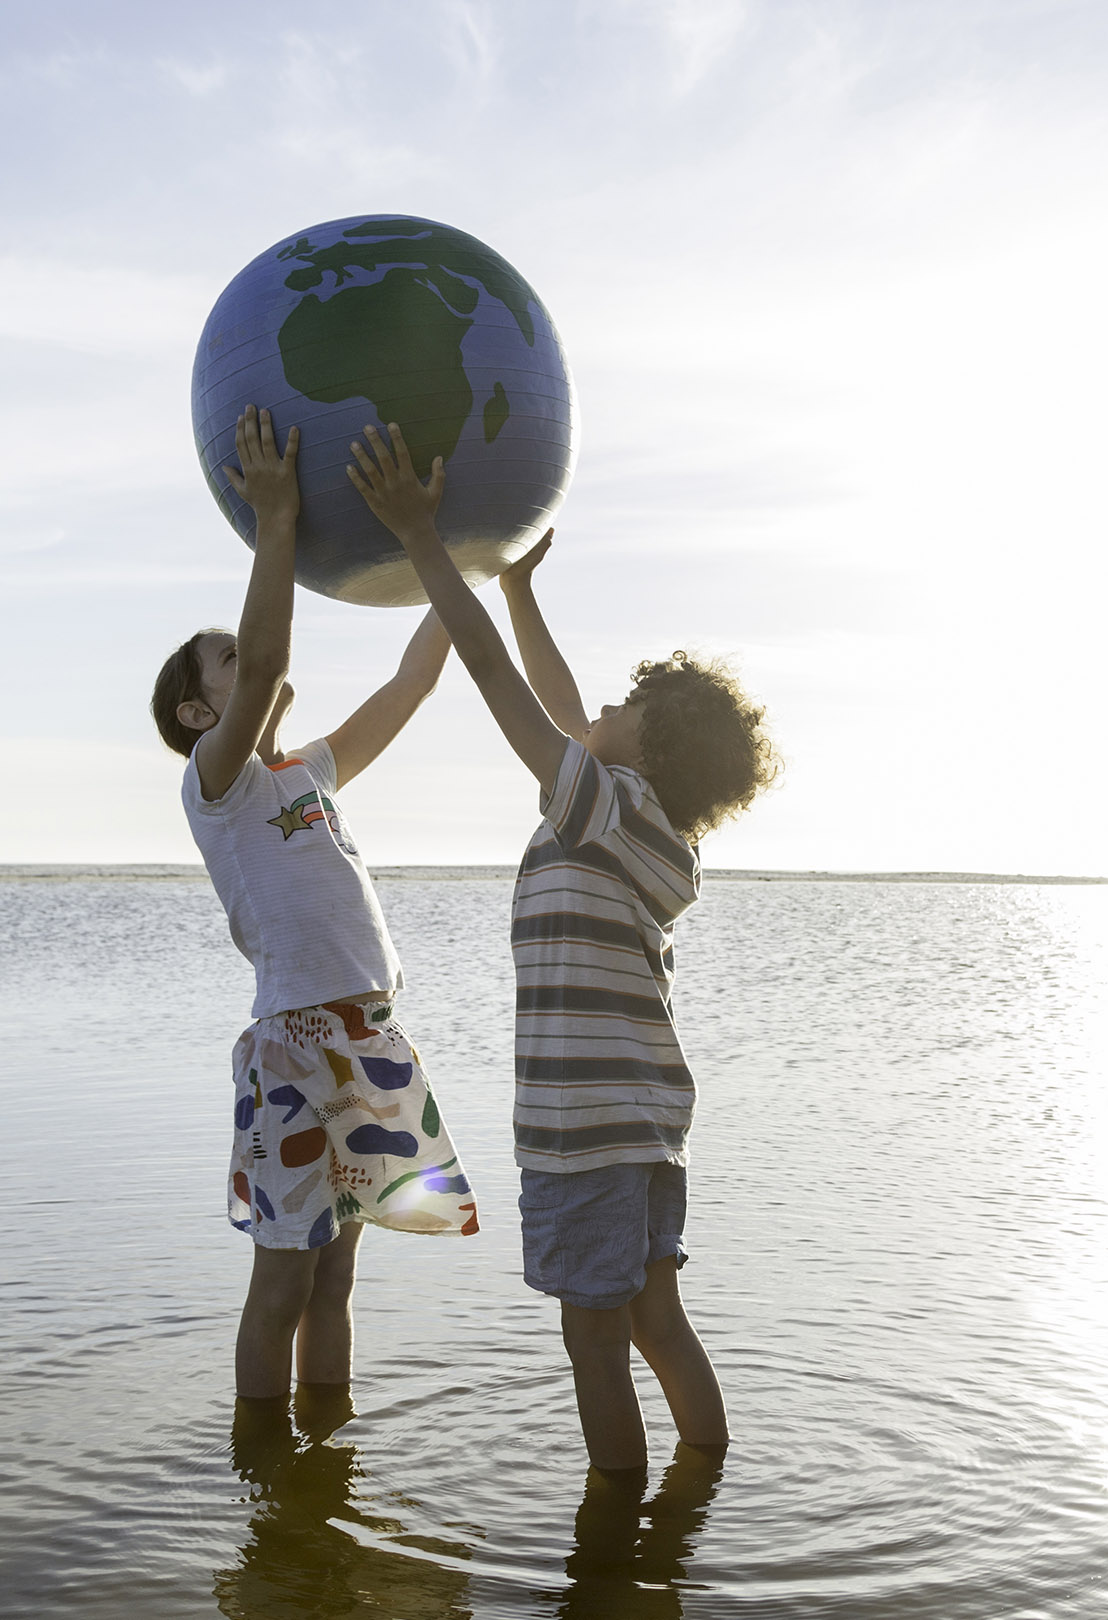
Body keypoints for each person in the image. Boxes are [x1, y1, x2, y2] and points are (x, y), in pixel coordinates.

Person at [345, 423, 779, 1477]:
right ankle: (701, 1493)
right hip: (642, 1127)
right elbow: (555, 696)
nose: (603, 708)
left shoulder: (605, 808)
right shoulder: (645, 826)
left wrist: (423, 541)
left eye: (627, 706)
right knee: (653, 1318)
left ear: (651, 751)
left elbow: (505, 687)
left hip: (585, 1133)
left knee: (594, 1342)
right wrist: (520, 589)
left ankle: (616, 1534)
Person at [152, 406, 480, 1405]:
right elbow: (269, 661)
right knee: (284, 1282)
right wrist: (276, 518)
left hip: (369, 1036)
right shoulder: (220, 784)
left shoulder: (309, 774)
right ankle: (264, 1468)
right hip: (294, 1045)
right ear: (201, 713)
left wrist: (466, 560)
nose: (249, 660)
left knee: (336, 1280)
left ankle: (326, 1455)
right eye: (227, 660)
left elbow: (412, 681)